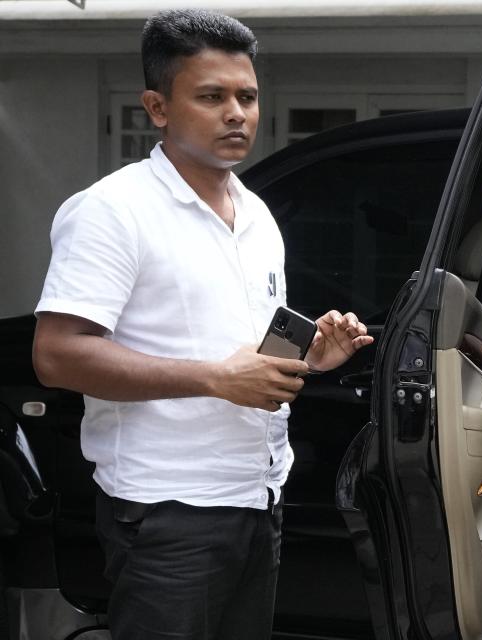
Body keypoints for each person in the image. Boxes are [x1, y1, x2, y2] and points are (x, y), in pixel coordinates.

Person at [31, 10, 373, 639]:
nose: (236, 113)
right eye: (211, 97)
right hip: (167, 511)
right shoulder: (113, 211)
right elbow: (57, 355)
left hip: (258, 496)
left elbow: (243, 353)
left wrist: (309, 359)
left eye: (247, 96)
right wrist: (214, 379)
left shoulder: (257, 213)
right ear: (157, 108)